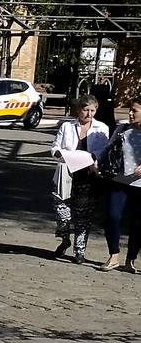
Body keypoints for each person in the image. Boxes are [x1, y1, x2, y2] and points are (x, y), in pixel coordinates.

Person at [50, 95, 110, 264]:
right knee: (62, 212)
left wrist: (92, 156)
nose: (89, 114)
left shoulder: (101, 128)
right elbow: (55, 146)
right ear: (79, 110)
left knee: (83, 215)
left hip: (87, 174)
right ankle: (64, 239)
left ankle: (79, 250)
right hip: (66, 172)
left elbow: (103, 151)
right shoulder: (67, 126)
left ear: (96, 110)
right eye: (85, 110)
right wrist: (57, 152)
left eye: (92, 110)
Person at [100, 99, 141, 272]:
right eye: (130, 110)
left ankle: (130, 259)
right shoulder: (122, 129)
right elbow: (107, 150)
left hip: (140, 185)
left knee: (138, 222)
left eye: (135, 111)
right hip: (119, 180)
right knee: (112, 216)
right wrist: (97, 163)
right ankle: (113, 255)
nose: (130, 114)